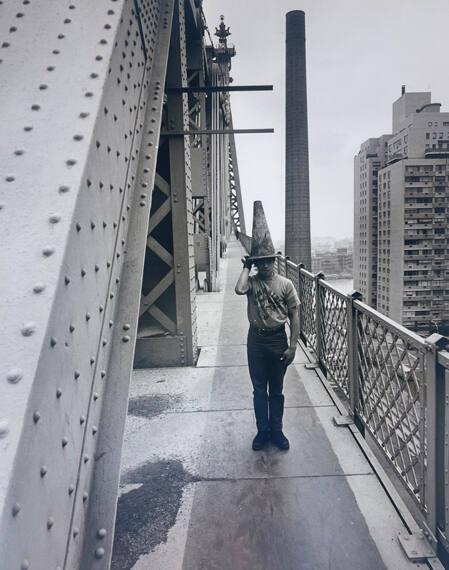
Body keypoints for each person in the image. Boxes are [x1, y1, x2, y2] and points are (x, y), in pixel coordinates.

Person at [235, 201, 300, 451]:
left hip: (277, 340)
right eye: (259, 262)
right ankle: (262, 432)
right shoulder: (251, 281)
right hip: (256, 340)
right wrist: (245, 265)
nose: (264, 266)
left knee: (278, 390)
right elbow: (239, 289)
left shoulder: (285, 284)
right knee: (259, 389)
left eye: (267, 261)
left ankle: (277, 431)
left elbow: (294, 315)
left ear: (274, 261)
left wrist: (293, 346)